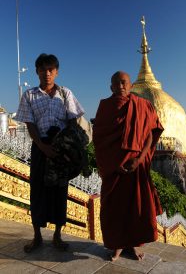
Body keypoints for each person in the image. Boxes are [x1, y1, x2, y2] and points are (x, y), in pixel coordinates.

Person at [15, 53, 84, 252]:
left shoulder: (65, 93)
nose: (47, 73)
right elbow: (30, 124)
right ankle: (37, 236)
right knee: (37, 190)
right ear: (37, 71)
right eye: (43, 69)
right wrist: (43, 147)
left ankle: (57, 236)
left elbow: (72, 120)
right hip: (40, 146)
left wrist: (66, 145)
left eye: (51, 69)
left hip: (62, 146)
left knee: (60, 191)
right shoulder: (29, 95)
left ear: (56, 72)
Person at [93, 71, 164, 261]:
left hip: (135, 168)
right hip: (113, 168)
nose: (120, 86)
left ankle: (132, 245)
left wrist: (139, 159)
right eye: (116, 83)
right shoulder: (105, 107)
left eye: (124, 82)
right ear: (111, 87)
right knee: (113, 208)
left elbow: (150, 134)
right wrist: (112, 163)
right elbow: (99, 138)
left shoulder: (143, 105)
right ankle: (116, 246)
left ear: (131, 85)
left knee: (135, 207)